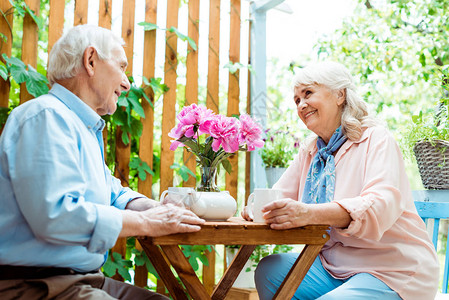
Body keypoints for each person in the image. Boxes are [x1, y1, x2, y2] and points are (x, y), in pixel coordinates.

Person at [0, 24, 204, 300]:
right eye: (121, 67)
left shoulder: (80, 126)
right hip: (34, 285)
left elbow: (114, 192)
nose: (126, 83)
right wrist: (145, 221)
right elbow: (57, 216)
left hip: (81, 281)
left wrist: (157, 208)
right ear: (91, 60)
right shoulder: (46, 117)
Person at [242, 62, 439, 300]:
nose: (301, 105)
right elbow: (277, 195)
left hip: (391, 268)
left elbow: (380, 204)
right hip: (333, 266)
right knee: (270, 270)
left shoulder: (376, 139)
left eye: (308, 93)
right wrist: (255, 208)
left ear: (339, 95)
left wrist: (310, 213)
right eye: (296, 100)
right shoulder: (312, 150)